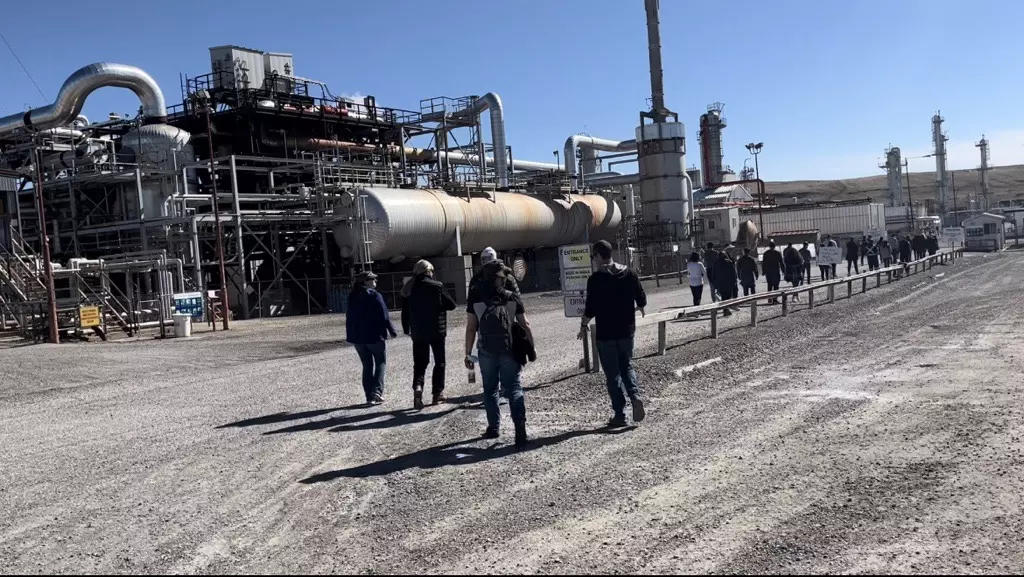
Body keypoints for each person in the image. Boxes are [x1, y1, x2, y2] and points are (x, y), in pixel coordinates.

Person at [579, 240, 647, 428]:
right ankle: (635, 396)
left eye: (593, 256)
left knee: (612, 375)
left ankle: (620, 414)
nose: (593, 260)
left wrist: (583, 324)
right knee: (626, 366)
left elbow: (590, 308)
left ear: (599, 256)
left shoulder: (595, 279)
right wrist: (639, 307)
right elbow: (641, 298)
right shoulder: (629, 273)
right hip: (626, 331)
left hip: (606, 334)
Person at [464, 261, 532, 447]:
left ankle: (494, 427)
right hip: (510, 349)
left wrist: (468, 353)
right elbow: (525, 323)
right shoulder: (511, 296)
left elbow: (471, 328)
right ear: (500, 279)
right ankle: (520, 431)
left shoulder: (475, 297)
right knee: (514, 388)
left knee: (490, 388)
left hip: (486, 349)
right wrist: (531, 347)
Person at [401, 259, 457, 409]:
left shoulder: (409, 288)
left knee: (420, 363)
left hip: (418, 333)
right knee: (439, 362)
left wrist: (406, 329)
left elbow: (405, 312)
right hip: (436, 331)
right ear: (428, 271)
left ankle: (418, 389)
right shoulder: (437, 286)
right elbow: (452, 305)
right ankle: (437, 394)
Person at [346, 271, 398, 405]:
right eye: (372, 279)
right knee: (381, 362)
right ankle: (377, 391)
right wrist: (392, 331)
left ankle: (369, 396)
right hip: (374, 335)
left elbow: (350, 318)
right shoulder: (375, 295)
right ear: (365, 282)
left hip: (358, 338)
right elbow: (384, 315)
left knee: (367, 365)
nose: (375, 281)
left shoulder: (352, 296)